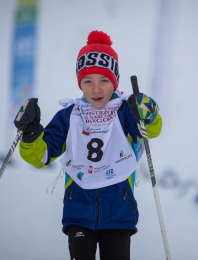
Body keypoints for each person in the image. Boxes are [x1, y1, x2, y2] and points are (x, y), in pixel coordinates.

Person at [14, 30, 162, 260]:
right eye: (88, 81)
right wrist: (31, 133)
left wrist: (147, 112)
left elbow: (151, 130)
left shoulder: (125, 112)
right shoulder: (69, 116)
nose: (96, 89)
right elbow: (40, 156)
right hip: (79, 212)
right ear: (79, 84)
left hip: (119, 212)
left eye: (104, 80)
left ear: (115, 81)